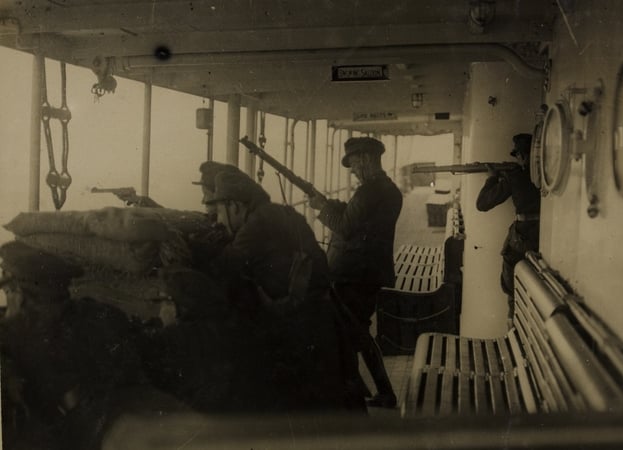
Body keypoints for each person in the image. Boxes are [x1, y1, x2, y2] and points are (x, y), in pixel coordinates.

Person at [203, 169, 364, 413]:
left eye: (220, 213)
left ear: (234, 206)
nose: (219, 221)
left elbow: (224, 267)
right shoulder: (285, 213)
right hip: (325, 322)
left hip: (301, 330)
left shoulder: (254, 226)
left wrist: (202, 247)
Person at [0, 241, 186, 450]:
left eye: (8, 292)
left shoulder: (19, 335)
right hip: (155, 420)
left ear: (19, 294)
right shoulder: (101, 314)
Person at [308, 136, 403, 408]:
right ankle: (373, 390)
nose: (351, 169)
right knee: (356, 331)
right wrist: (329, 204)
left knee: (352, 332)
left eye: (353, 163)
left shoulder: (369, 191)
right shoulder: (387, 189)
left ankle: (359, 392)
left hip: (353, 275)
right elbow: (357, 218)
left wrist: (321, 208)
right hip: (368, 273)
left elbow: (346, 227)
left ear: (365, 158)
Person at [476, 133, 541, 324]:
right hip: (542, 235)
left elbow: (482, 204)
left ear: (521, 155)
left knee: (512, 289)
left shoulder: (516, 177)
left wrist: (491, 178)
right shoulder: (546, 172)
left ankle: (513, 324)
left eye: (518, 155)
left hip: (522, 237)